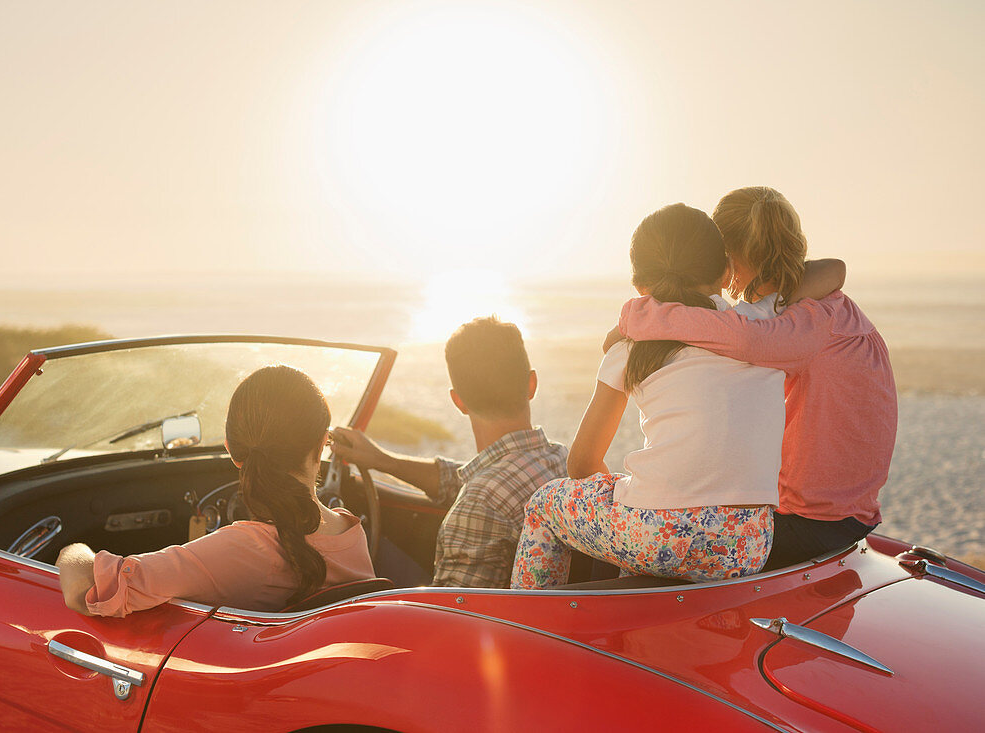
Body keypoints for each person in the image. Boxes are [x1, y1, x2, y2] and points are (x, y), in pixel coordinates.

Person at [511, 203, 844, 589]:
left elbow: (582, 462)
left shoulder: (630, 346)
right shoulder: (763, 323)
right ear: (724, 273)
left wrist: (630, 508)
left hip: (658, 535)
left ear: (639, 287)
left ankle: (528, 618)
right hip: (749, 544)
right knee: (639, 507)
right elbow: (833, 271)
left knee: (545, 503)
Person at [610, 186, 895, 569]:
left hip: (812, 522)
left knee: (654, 541)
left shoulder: (786, 327)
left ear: (727, 260)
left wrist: (640, 318)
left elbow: (738, 336)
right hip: (848, 513)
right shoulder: (825, 308)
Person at [57, 365, 375, 616]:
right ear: (321, 445)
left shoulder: (243, 550)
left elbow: (87, 591)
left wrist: (71, 552)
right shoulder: (352, 531)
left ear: (233, 453)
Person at [331, 316, 567, 589]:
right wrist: (383, 461)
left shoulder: (478, 504)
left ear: (458, 402)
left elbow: (448, 618)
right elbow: (465, 479)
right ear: (531, 385)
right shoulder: (559, 459)